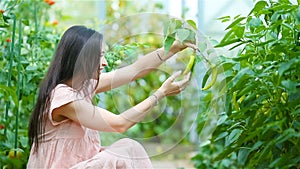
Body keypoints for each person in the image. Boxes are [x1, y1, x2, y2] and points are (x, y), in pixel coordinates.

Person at [27, 25, 194, 168]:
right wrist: (160, 94)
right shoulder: (63, 96)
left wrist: (174, 48)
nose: (105, 62)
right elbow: (119, 124)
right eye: (100, 56)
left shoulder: (82, 86)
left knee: (127, 149)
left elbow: (133, 70)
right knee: (125, 150)